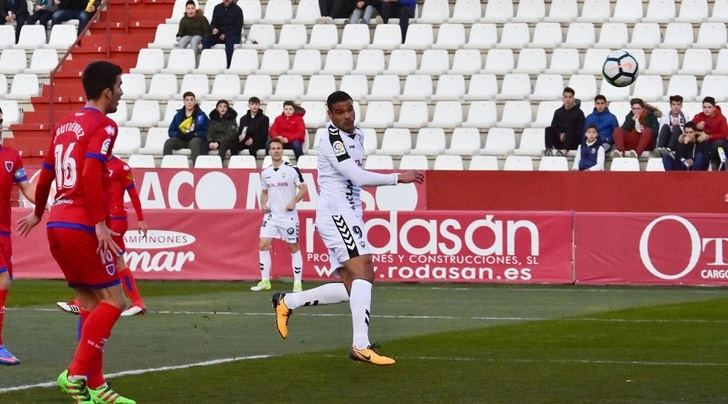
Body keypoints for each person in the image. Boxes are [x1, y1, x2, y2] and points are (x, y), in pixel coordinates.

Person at [271, 91, 424, 366]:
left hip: (350, 213)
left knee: (354, 286)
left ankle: (287, 302)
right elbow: (355, 175)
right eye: (340, 112)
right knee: (365, 269)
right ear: (330, 115)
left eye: (350, 109)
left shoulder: (359, 135)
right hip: (336, 213)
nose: (347, 115)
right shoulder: (331, 139)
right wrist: (398, 178)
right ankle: (360, 345)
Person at [16, 61, 136, 403]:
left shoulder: (65, 124)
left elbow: (47, 175)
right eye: (119, 86)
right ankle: (75, 374)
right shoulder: (105, 125)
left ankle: (96, 387)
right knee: (116, 300)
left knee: (88, 301)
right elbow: (88, 173)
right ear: (106, 91)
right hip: (83, 223)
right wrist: (99, 223)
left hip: (57, 222)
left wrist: (39, 213)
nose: (121, 93)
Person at [57, 155, 149, 317]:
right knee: (116, 261)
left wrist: (141, 219)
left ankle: (82, 302)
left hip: (115, 220)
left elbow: (133, 193)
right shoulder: (94, 164)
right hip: (103, 219)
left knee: (97, 259)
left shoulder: (121, 167)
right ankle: (137, 302)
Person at [0, 107, 35, 365]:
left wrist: (45, 201)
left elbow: (27, 188)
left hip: (4, 231)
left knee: (5, 282)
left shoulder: (12, 157)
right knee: (3, 282)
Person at [251, 139, 307, 293]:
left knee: (293, 247)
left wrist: (293, 201)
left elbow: (303, 189)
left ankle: (297, 283)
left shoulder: (292, 169)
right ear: (269, 152)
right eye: (273, 148)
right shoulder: (265, 173)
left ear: (282, 150)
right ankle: (265, 281)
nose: (276, 151)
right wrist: (263, 204)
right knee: (263, 245)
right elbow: (264, 192)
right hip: (271, 216)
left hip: (288, 216)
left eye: (278, 148)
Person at [163, 91, 209, 164]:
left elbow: (206, 131)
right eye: (187, 100)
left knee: (195, 142)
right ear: (184, 102)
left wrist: (195, 134)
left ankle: (197, 168)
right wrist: (178, 135)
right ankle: (167, 166)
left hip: (195, 140)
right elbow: (171, 131)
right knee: (168, 142)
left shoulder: (200, 115)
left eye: (191, 100)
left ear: (195, 102)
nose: (189, 102)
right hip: (181, 140)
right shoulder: (178, 115)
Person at [201, 0, 243, 69]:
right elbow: (213, 23)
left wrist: (225, 34)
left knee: (229, 41)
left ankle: (229, 66)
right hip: (219, 34)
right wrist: (213, 28)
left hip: (232, 35)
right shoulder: (217, 8)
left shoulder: (238, 10)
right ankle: (205, 64)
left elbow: (238, 28)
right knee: (206, 40)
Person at [544, 87, 585, 156]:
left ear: (573, 99)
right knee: (549, 129)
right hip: (560, 140)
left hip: (573, 142)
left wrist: (567, 135)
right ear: (563, 99)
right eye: (565, 97)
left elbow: (581, 130)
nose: (567, 99)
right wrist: (560, 134)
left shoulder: (579, 113)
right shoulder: (558, 112)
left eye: (570, 97)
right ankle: (549, 150)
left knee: (570, 129)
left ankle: (564, 152)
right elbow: (554, 127)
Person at [692, 96, 728, 170]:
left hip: (717, 142)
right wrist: (696, 126)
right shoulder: (699, 116)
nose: (706, 109)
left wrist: (709, 136)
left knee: (719, 142)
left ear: (714, 108)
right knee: (701, 146)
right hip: (703, 143)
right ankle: (698, 168)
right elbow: (688, 127)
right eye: (704, 107)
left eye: (709, 107)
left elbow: (724, 134)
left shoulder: (721, 118)